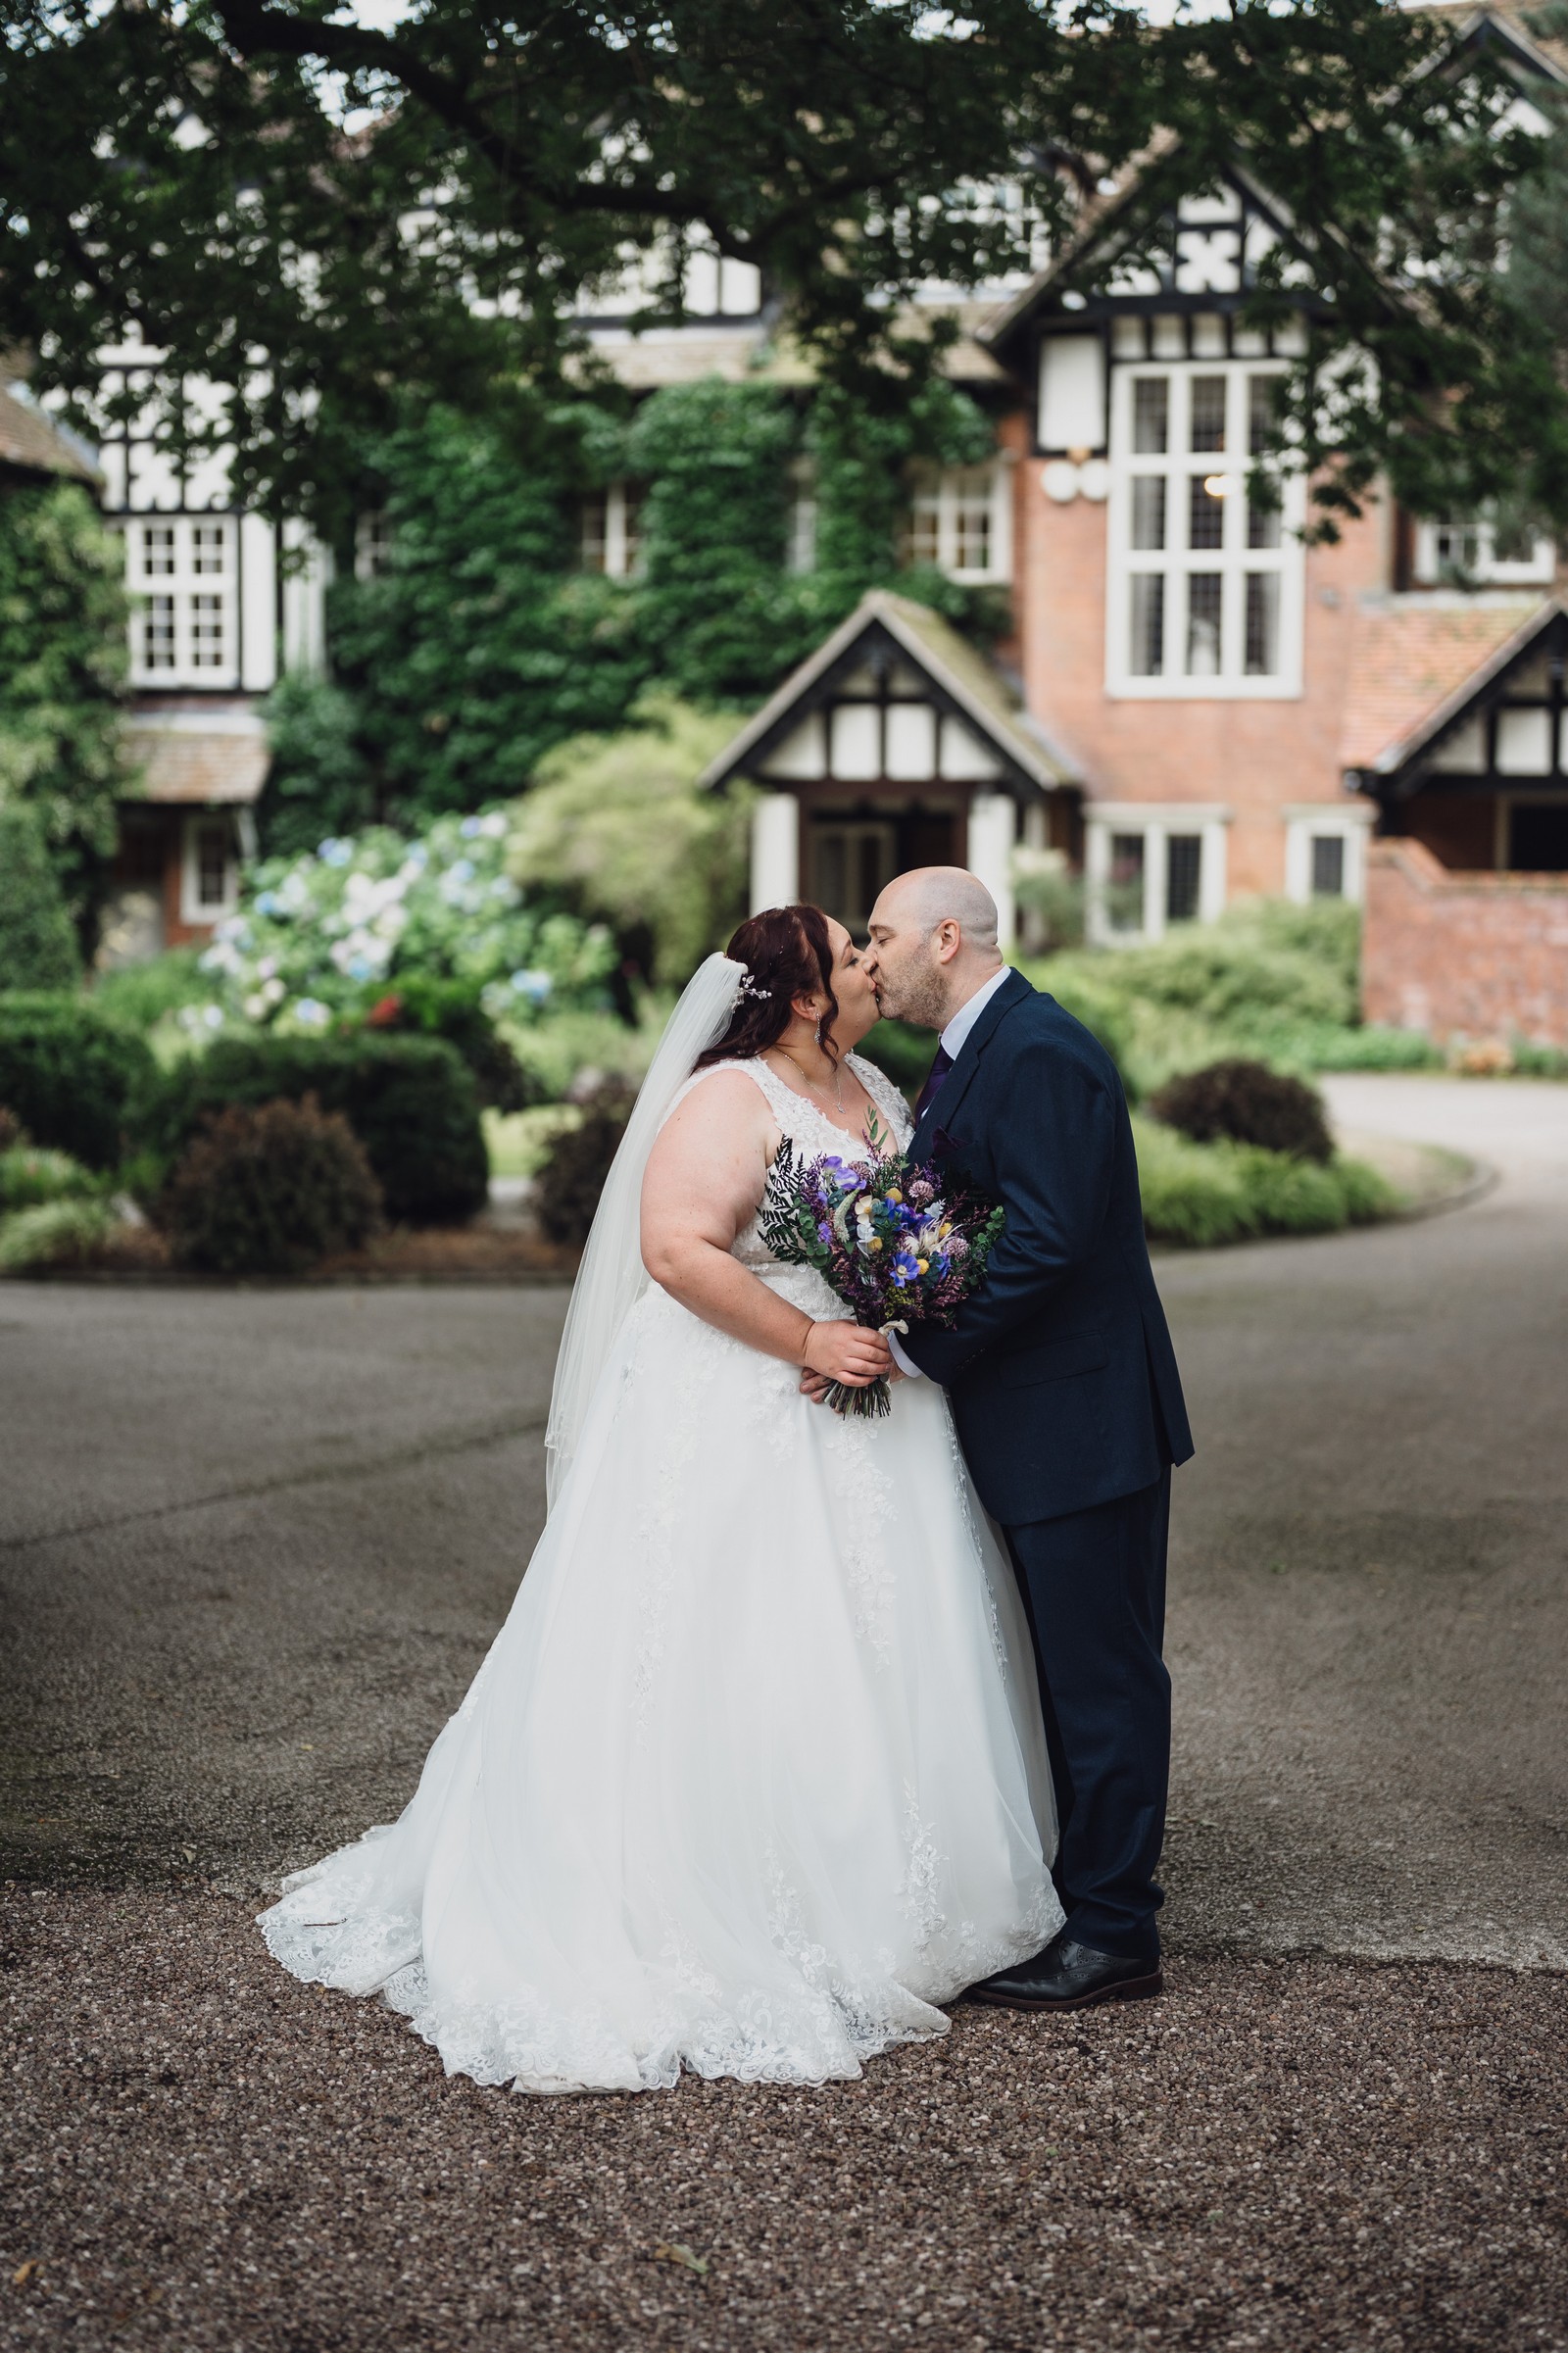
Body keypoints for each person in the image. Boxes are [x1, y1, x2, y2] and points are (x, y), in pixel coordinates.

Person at [259, 905, 1061, 2093]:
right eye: (851, 954)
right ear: (799, 994)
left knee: (895, 1633)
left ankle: (909, 1889)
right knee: (732, 1638)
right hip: (741, 1394)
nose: (869, 966)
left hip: (872, 1400)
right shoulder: (725, 1098)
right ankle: (726, 1894)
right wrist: (808, 1333)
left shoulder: (881, 1094)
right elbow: (678, 1251)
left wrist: (901, 1298)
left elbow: (912, 1224)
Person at [845, 866, 1194, 2012]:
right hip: (1043, 1416)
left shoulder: (1038, 1051)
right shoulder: (969, 1051)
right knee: (1067, 1672)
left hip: (1081, 1417)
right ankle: (1079, 1901)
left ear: (946, 938)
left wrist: (919, 1348)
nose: (870, 954)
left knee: (1103, 1680)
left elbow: (1042, 1241)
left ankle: (1112, 1935)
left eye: (883, 935)